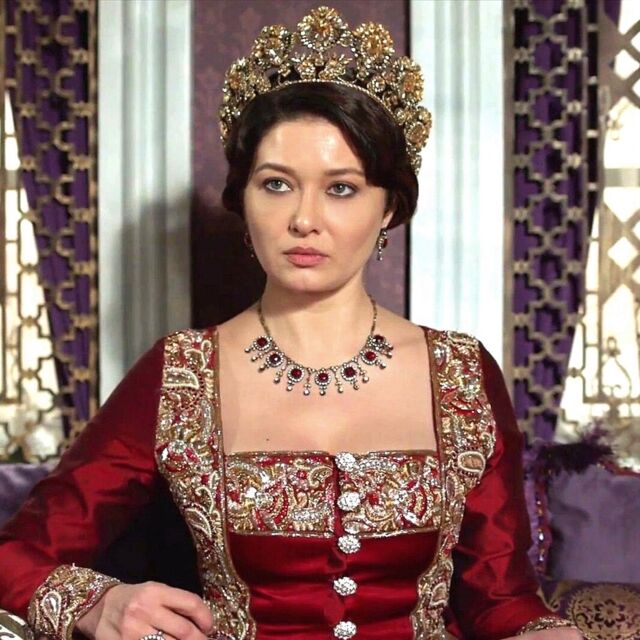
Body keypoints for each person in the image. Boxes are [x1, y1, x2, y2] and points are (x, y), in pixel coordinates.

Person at [0, 7, 583, 640]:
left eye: (342, 188)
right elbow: (17, 555)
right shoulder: (182, 375)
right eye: (277, 185)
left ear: (389, 207)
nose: (304, 219)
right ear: (244, 198)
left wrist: (544, 631)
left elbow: (501, 598)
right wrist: (98, 603)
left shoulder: (461, 374)